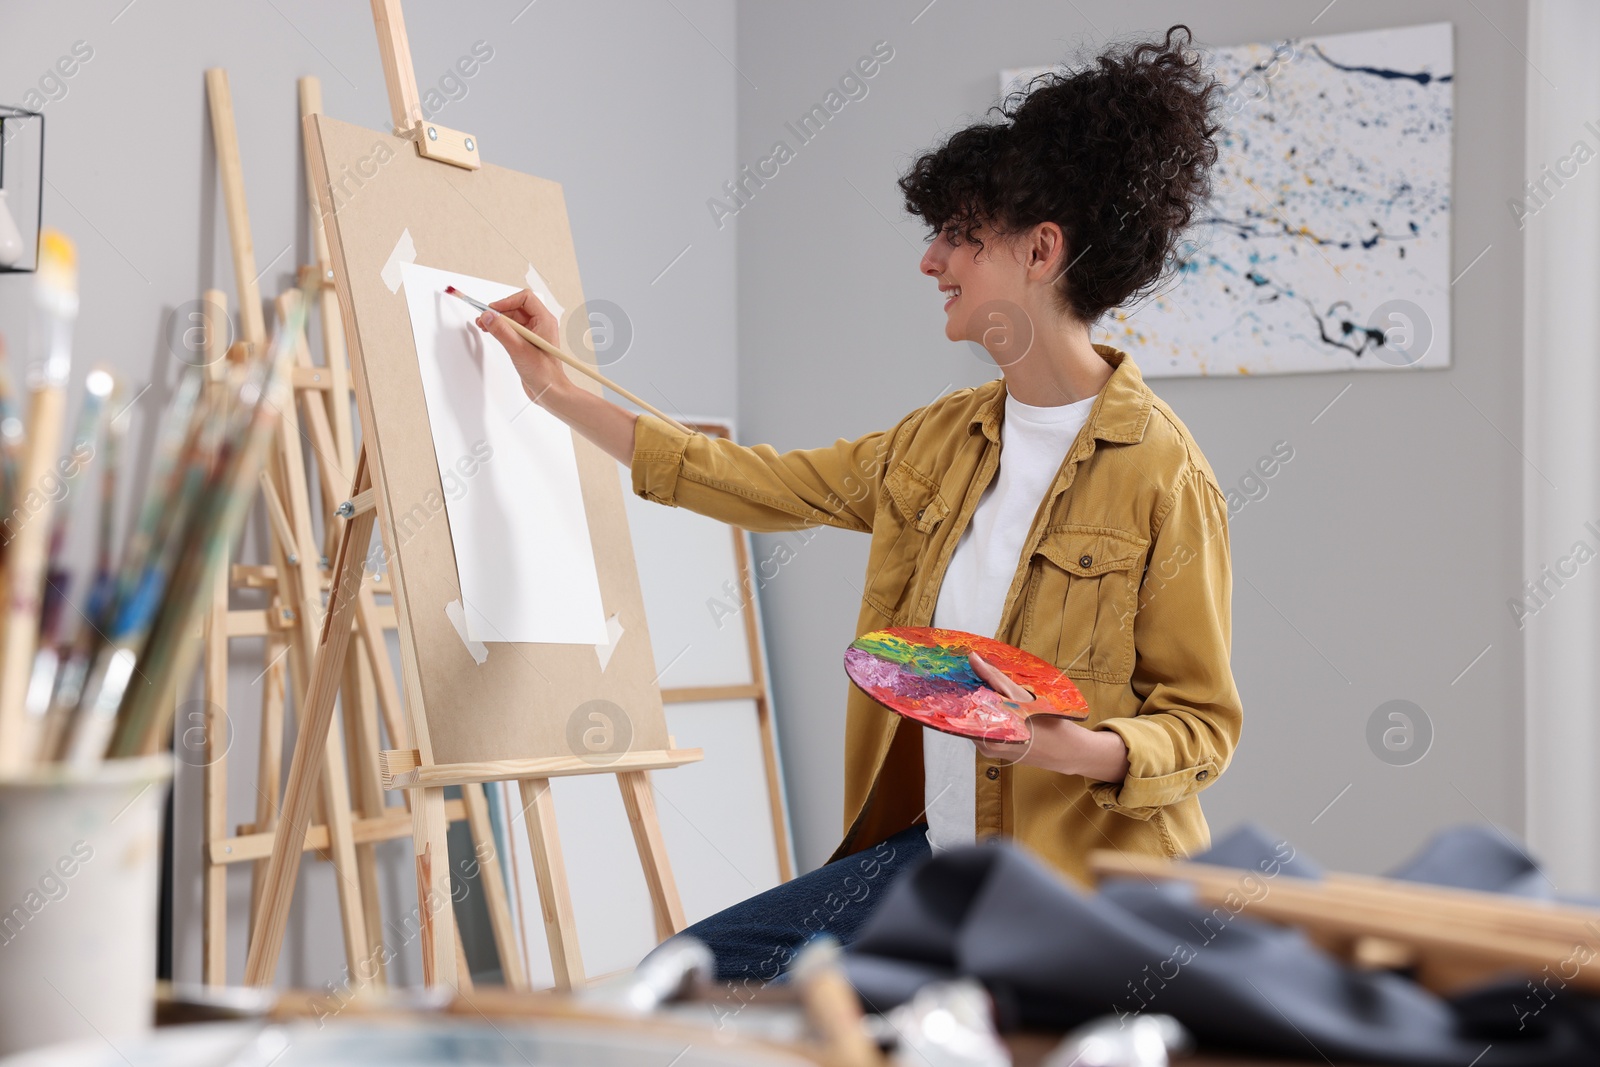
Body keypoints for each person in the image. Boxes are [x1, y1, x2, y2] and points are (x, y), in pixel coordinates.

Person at [475, 23, 1241, 985]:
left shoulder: (1165, 475)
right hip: (939, 863)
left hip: (1087, 887)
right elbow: (760, 483)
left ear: (1042, 251)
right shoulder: (940, 442)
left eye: (962, 234)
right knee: (689, 973)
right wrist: (556, 391)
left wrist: (1069, 745)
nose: (931, 260)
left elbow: (1201, 723)